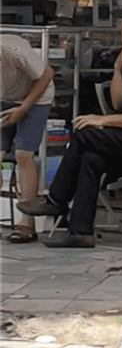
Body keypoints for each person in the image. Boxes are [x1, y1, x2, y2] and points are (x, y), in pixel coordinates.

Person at [20, 18, 122, 248]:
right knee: (91, 158)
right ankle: (80, 231)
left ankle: (57, 199)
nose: (121, 25)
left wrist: (101, 120)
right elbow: (118, 104)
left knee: (84, 133)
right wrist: (117, 68)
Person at [0, 34, 55, 243]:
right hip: (4, 97)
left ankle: (27, 221)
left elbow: (47, 73)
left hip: (37, 97)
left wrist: (23, 108)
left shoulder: (14, 50)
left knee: (23, 154)